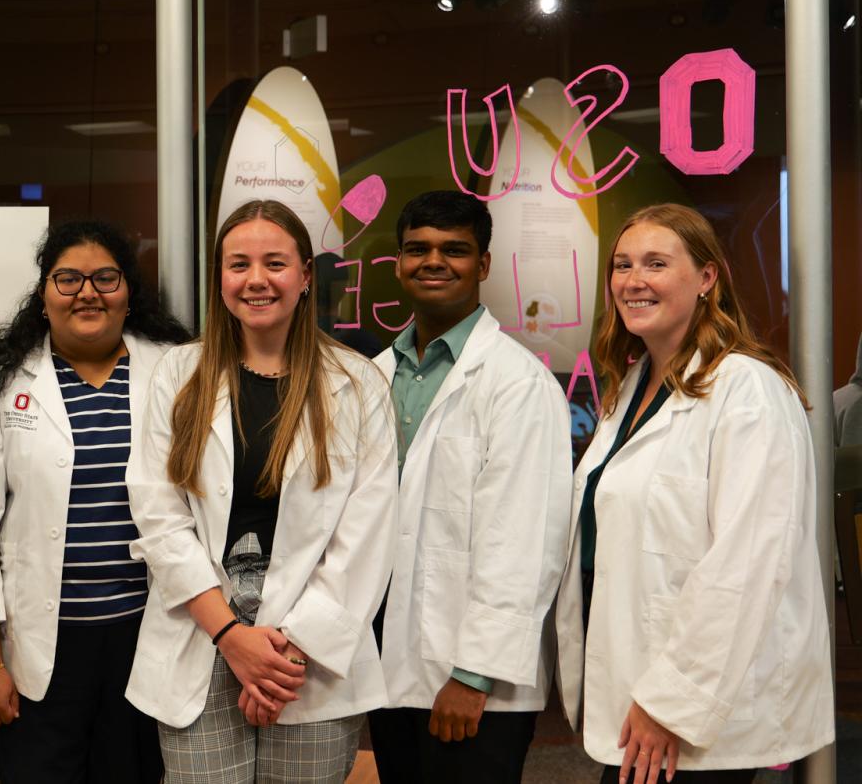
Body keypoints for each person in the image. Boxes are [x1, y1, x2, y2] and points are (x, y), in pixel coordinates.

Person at [125, 199, 398, 784]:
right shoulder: (179, 374)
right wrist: (231, 636)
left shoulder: (358, 383)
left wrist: (285, 657)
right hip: (201, 636)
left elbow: (366, 537)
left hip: (309, 659)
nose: (255, 280)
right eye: (238, 264)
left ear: (305, 276)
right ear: (219, 278)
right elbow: (158, 514)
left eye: (275, 263)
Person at [566, 203, 833, 784]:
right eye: (623, 265)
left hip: (697, 707)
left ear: (707, 278)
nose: (634, 281)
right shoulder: (631, 388)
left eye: (657, 263)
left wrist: (673, 700)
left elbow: (748, 562)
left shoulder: (747, 389)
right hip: (642, 691)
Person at [0, 220, 189, 784]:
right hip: (41, 646)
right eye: (68, 278)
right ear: (44, 295)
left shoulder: (177, 369)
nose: (87, 292)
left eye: (105, 277)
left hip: (147, 635)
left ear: (129, 294)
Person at [366, 191, 573, 784]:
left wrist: (473, 674)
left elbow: (526, 542)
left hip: (473, 682)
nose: (435, 261)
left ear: (483, 264)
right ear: (399, 263)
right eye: (418, 249)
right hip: (391, 666)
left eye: (454, 250)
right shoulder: (376, 375)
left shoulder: (518, 384)